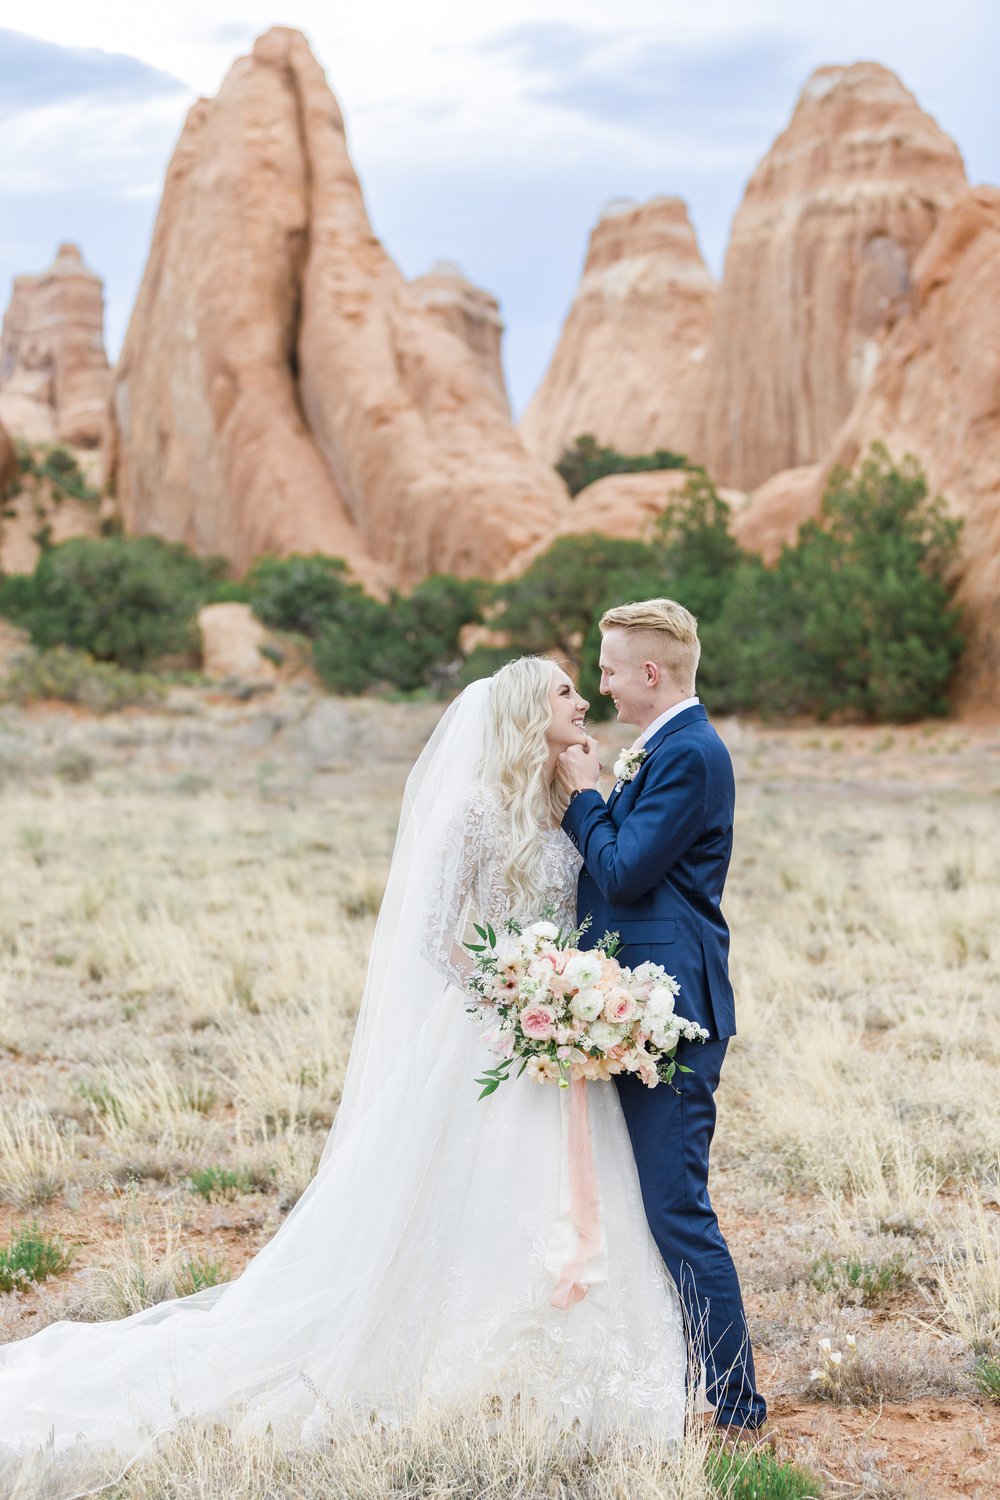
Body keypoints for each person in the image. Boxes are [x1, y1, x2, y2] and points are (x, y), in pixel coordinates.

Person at [0, 657, 687, 1498]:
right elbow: (434, 936)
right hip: (493, 1038)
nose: (584, 703)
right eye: (566, 693)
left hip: (562, 1044)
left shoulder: (572, 807)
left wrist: (573, 999)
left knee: (568, 1195)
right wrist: (516, 1000)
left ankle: (567, 1375)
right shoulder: (475, 810)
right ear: (524, 713)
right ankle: (453, 1369)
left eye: (585, 688)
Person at [557, 598, 767, 1436]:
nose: (601, 685)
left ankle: (737, 1403)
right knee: (644, 1201)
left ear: (650, 673)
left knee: (678, 1208)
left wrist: (582, 795)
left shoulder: (690, 754)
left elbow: (625, 870)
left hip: (670, 1013)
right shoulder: (670, 747)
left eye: (608, 670)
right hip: (639, 1003)